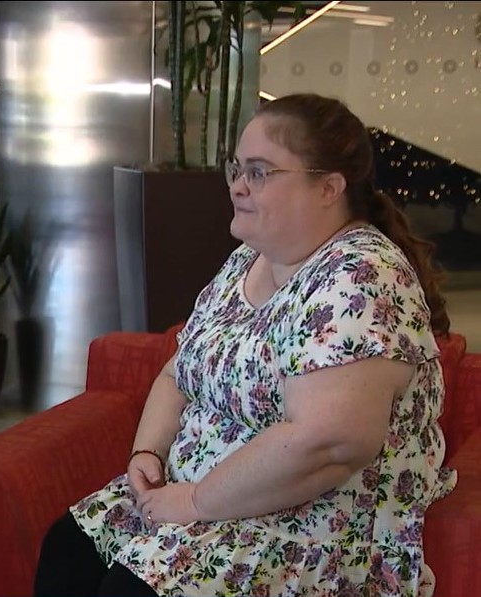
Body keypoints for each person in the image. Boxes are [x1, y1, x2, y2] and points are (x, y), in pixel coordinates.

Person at [34, 93, 457, 596]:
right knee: (68, 551)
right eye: (236, 168)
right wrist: (148, 450)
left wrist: (195, 502)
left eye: (259, 172)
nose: (237, 186)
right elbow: (179, 371)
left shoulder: (361, 274)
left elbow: (327, 444)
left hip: (309, 524)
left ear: (328, 187)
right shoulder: (248, 259)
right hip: (199, 498)